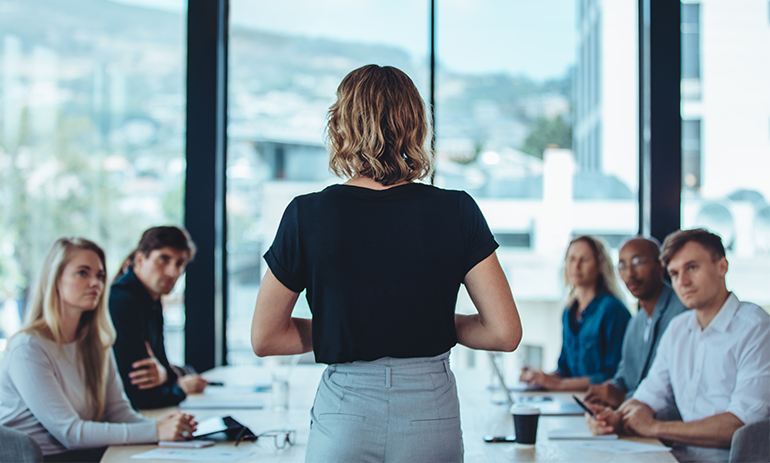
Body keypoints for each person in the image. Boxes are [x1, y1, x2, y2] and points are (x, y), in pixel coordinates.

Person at [250, 64, 522, 463]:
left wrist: (344, 327)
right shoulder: (457, 210)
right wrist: (424, 321)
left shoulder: (307, 214)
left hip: (345, 410)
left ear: (341, 126)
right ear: (416, 125)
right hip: (430, 409)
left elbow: (266, 337)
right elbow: (504, 333)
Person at [0, 237, 196, 462]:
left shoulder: (96, 343)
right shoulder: (28, 348)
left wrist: (165, 426)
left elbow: (119, 414)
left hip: (88, 455)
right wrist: (157, 431)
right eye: (83, 273)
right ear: (55, 279)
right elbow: (70, 433)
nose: (96, 283)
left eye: (100, 275)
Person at [587, 229, 770, 462]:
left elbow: (741, 425)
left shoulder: (756, 328)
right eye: (674, 273)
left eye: (692, 268)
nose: (682, 282)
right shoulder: (678, 328)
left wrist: (654, 428)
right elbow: (648, 395)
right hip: (675, 457)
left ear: (722, 266)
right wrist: (616, 417)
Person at [110, 226, 209, 410]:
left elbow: (162, 365)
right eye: (164, 259)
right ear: (140, 259)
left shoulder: (151, 300)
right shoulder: (123, 302)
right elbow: (139, 395)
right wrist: (181, 388)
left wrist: (166, 374)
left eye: (180, 263)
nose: (172, 272)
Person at [584, 237, 686, 409]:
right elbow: (623, 377)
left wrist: (622, 398)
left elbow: (672, 389)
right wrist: (610, 389)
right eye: (622, 266)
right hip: (632, 415)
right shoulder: (636, 322)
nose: (630, 273)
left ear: (661, 265)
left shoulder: (682, 314)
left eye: (638, 262)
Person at [520, 236, 631, 391]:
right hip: (571, 399)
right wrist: (540, 377)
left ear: (600, 266)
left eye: (584, 259)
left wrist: (558, 385)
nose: (576, 266)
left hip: (600, 403)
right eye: (571, 259)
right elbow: (564, 370)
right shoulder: (569, 312)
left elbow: (614, 375)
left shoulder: (613, 310)